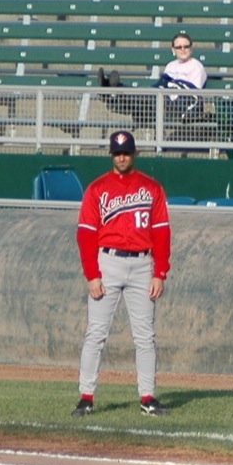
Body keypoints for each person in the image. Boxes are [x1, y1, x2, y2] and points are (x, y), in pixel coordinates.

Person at [73, 130, 172, 418]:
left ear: (134, 153)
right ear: (111, 155)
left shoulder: (151, 188)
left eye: (126, 152)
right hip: (109, 263)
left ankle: (148, 397)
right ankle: (86, 396)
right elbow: (86, 235)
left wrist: (160, 272)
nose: (122, 157)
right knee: (96, 334)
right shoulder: (97, 189)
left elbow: (162, 232)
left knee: (145, 337)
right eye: (117, 153)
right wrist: (92, 274)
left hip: (143, 265)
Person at [156, 32, 209, 124]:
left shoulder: (196, 66)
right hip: (166, 103)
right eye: (179, 47)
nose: (183, 49)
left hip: (185, 105)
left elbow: (193, 93)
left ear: (191, 48)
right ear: (173, 49)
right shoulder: (170, 66)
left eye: (186, 46)